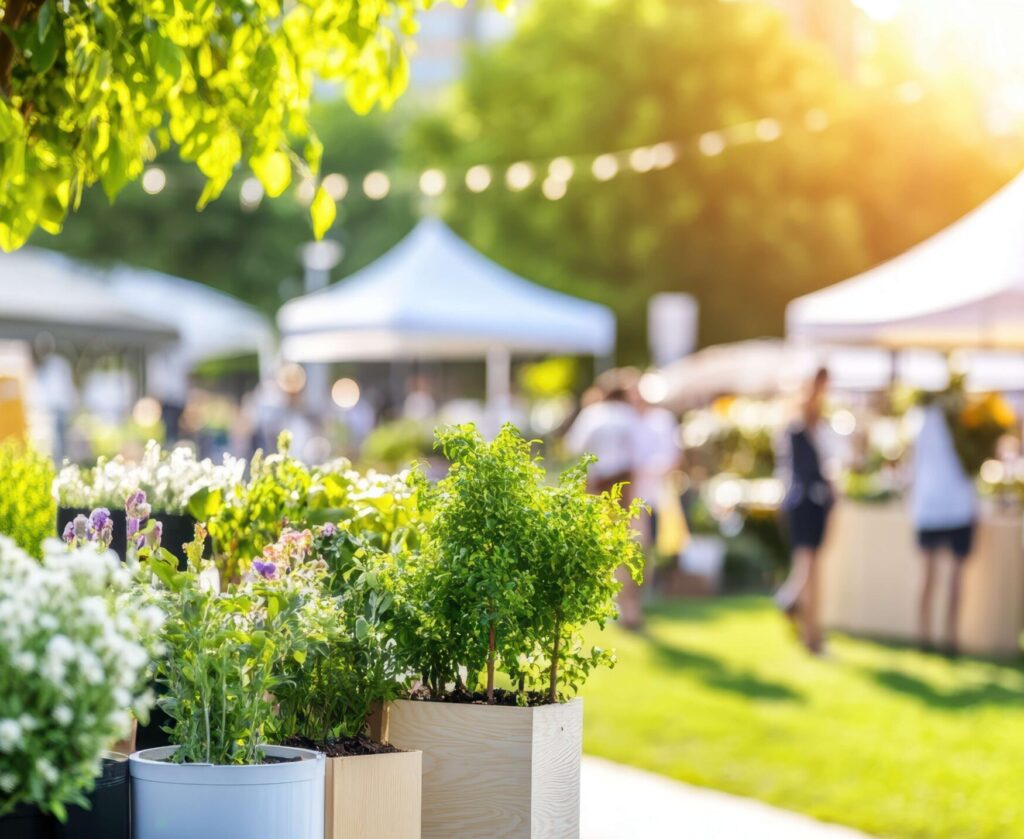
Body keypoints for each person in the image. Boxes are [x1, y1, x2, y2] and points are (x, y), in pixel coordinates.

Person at [565, 370, 644, 629]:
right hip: (625, 487)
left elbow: (573, 447)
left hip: (597, 486)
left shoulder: (594, 414)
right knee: (626, 544)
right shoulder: (630, 417)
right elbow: (640, 454)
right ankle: (628, 604)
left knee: (598, 543)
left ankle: (607, 600)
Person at [911, 395, 976, 656]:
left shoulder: (968, 418)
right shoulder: (928, 417)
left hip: (950, 504)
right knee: (938, 575)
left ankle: (945, 637)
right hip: (938, 504)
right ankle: (931, 636)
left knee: (947, 577)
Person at [775, 367, 833, 654]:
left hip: (811, 502)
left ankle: (801, 618)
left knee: (809, 567)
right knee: (808, 568)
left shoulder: (812, 427)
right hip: (805, 502)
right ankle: (806, 627)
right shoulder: (798, 427)